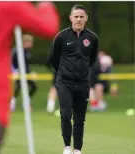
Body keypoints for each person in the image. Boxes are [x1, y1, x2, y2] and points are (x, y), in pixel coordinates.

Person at [0, 2, 60, 154]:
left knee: (30, 87)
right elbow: (48, 27)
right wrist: (46, 5)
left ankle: (22, 103)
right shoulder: (9, 5)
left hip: (3, 81)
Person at [49, 4, 98, 154]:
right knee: (65, 114)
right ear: (71, 18)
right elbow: (53, 58)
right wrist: (65, 72)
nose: (78, 19)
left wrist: (81, 72)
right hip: (64, 82)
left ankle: (77, 149)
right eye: (76, 17)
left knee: (79, 118)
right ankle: (66, 146)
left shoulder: (92, 38)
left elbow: (92, 59)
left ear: (86, 18)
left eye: (81, 17)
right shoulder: (61, 37)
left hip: (83, 83)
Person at [10, 34, 37, 112]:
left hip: (26, 73)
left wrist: (30, 73)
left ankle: (26, 103)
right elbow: (10, 62)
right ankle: (12, 103)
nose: (31, 44)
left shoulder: (27, 52)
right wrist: (14, 71)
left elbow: (26, 65)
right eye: (30, 42)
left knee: (33, 86)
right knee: (18, 87)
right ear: (25, 42)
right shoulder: (16, 50)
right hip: (17, 73)